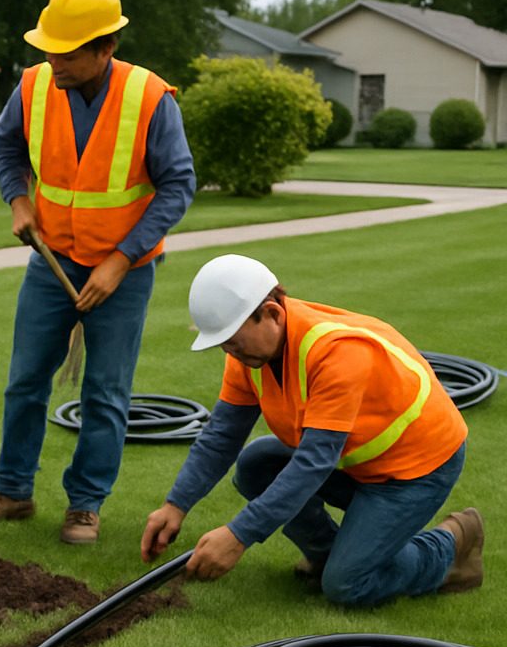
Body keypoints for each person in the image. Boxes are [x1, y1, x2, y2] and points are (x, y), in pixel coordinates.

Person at [0, 0, 196, 543]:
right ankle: (12, 490)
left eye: (66, 52)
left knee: (106, 392)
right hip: (52, 261)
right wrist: (19, 200)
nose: (53, 62)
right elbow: (7, 146)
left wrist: (121, 259)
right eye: (47, 49)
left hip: (124, 271)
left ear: (105, 48)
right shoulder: (35, 86)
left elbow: (178, 185)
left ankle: (85, 504)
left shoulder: (150, 99)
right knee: (24, 382)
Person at [141, 254, 482, 604]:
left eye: (233, 340)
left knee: (347, 586)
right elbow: (222, 436)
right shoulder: (248, 354)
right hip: (354, 462)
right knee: (256, 464)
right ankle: (328, 556)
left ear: (273, 314)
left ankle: (451, 546)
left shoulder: (337, 354)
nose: (230, 351)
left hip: (416, 470)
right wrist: (175, 505)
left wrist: (239, 535)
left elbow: (313, 463)